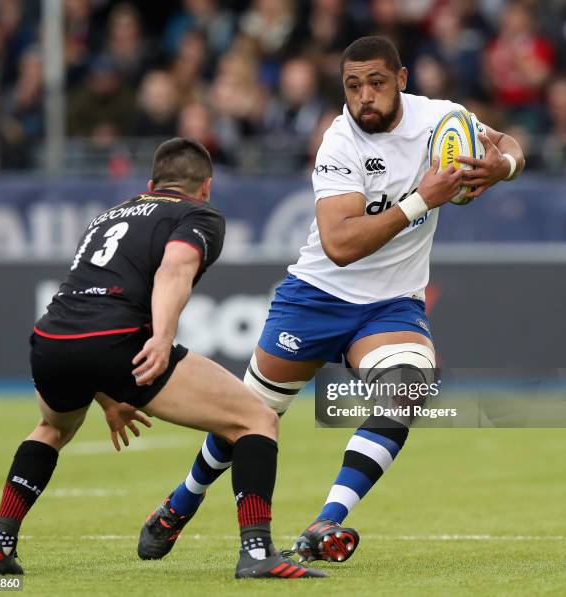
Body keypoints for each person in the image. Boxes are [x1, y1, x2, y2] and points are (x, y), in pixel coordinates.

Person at [138, 36, 525, 564]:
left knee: (407, 393)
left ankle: (327, 521)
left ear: (402, 81)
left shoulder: (442, 119)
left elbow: (509, 143)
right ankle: (182, 501)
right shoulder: (339, 141)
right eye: (352, 85)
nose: (363, 96)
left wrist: (500, 169)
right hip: (317, 297)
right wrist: (421, 200)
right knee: (249, 417)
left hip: (391, 305)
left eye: (376, 83)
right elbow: (341, 245)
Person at [0, 137, 325, 580]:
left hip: (51, 337)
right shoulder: (197, 214)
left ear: (150, 184)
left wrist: (108, 397)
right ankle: (257, 552)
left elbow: (89, 296)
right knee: (256, 420)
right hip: (120, 339)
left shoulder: (109, 215)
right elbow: (174, 268)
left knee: (52, 427)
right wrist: (162, 337)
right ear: (207, 187)